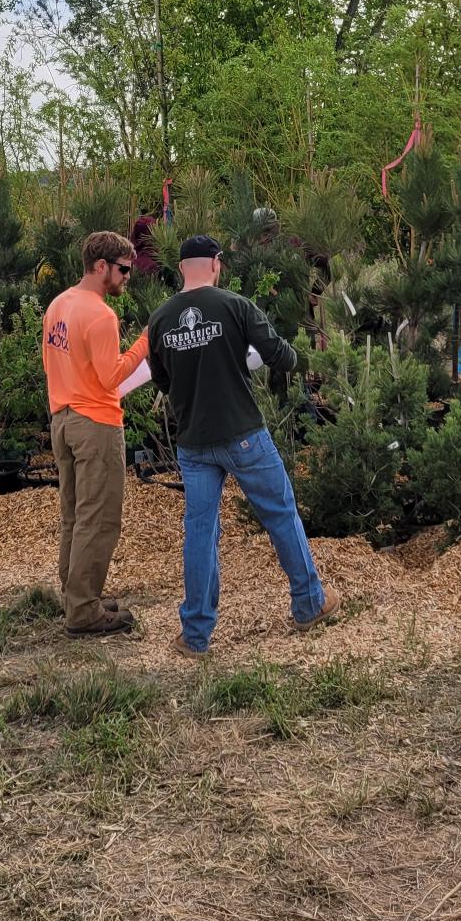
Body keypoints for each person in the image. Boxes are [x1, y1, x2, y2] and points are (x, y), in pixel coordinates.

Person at [147, 235, 340, 658]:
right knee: (280, 513)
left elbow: (162, 379)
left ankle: (195, 635)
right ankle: (309, 605)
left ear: (182, 268)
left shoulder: (160, 319)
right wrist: (290, 358)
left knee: (200, 533)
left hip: (194, 443)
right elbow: (280, 356)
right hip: (244, 434)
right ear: (216, 264)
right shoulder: (235, 306)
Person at [42, 230, 149, 637]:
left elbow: (50, 363)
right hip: (96, 424)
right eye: (123, 270)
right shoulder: (102, 315)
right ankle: (84, 612)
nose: (127, 277)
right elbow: (111, 378)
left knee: (73, 515)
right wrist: (144, 344)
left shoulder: (58, 305)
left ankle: (76, 595)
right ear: (101, 266)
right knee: (100, 517)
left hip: (63, 419)